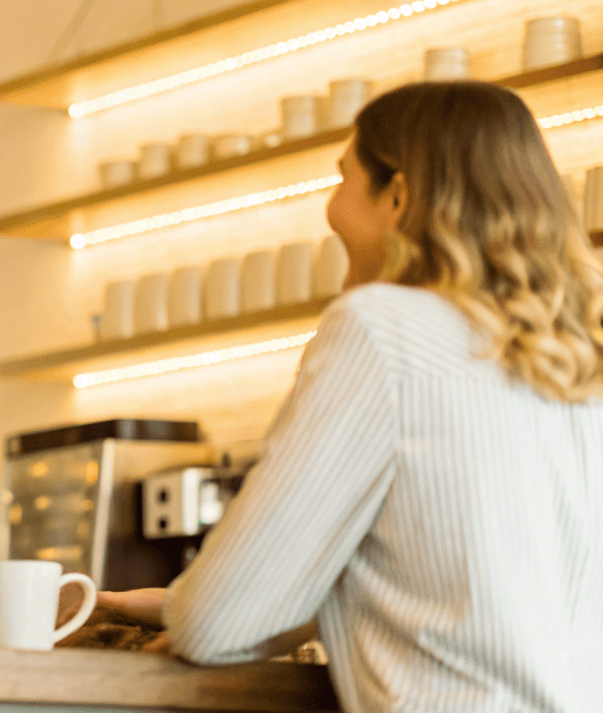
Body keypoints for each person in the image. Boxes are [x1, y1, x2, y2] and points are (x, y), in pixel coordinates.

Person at [85, 82, 603, 711]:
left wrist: (194, 609)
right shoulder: (577, 353)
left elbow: (217, 627)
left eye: (342, 180)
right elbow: (487, 598)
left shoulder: (382, 326)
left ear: (400, 195)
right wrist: (176, 601)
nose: (330, 207)